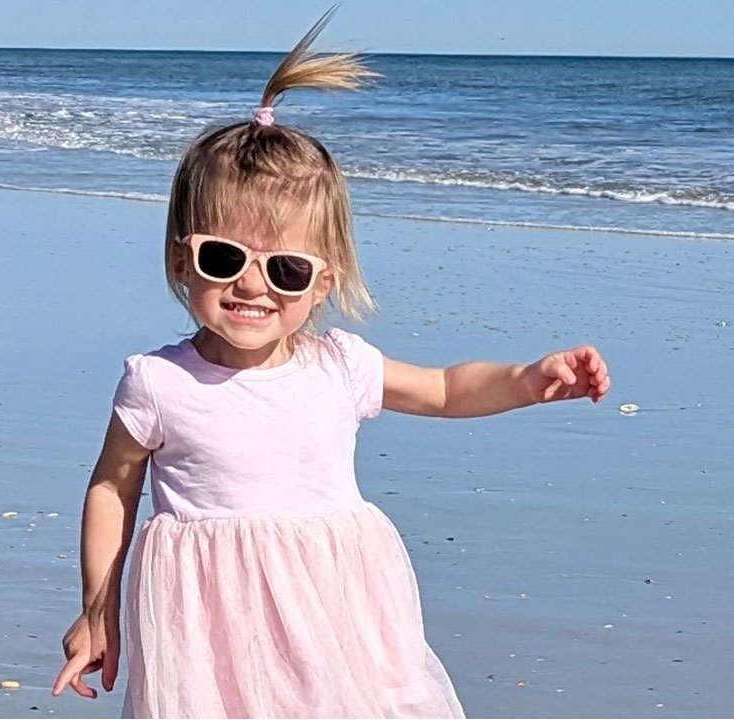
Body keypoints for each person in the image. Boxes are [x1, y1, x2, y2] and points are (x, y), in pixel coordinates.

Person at [51, 10, 612, 718]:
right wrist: (98, 607)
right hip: (207, 640)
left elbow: (442, 390)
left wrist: (528, 381)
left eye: (284, 269)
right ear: (179, 260)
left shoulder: (337, 365)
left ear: (323, 281)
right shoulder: (159, 384)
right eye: (223, 259)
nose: (253, 286)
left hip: (337, 622)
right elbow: (112, 487)